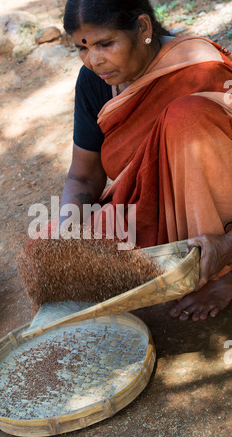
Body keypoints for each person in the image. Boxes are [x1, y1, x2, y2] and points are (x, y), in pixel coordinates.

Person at [59, 0, 232, 321]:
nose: (94, 60)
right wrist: (66, 232)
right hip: (148, 209)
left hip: (219, 218)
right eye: (81, 49)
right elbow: (83, 177)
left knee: (186, 116)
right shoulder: (94, 81)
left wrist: (227, 245)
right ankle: (179, 262)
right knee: (51, 256)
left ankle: (225, 270)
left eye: (105, 44)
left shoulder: (202, 70)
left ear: (143, 28)